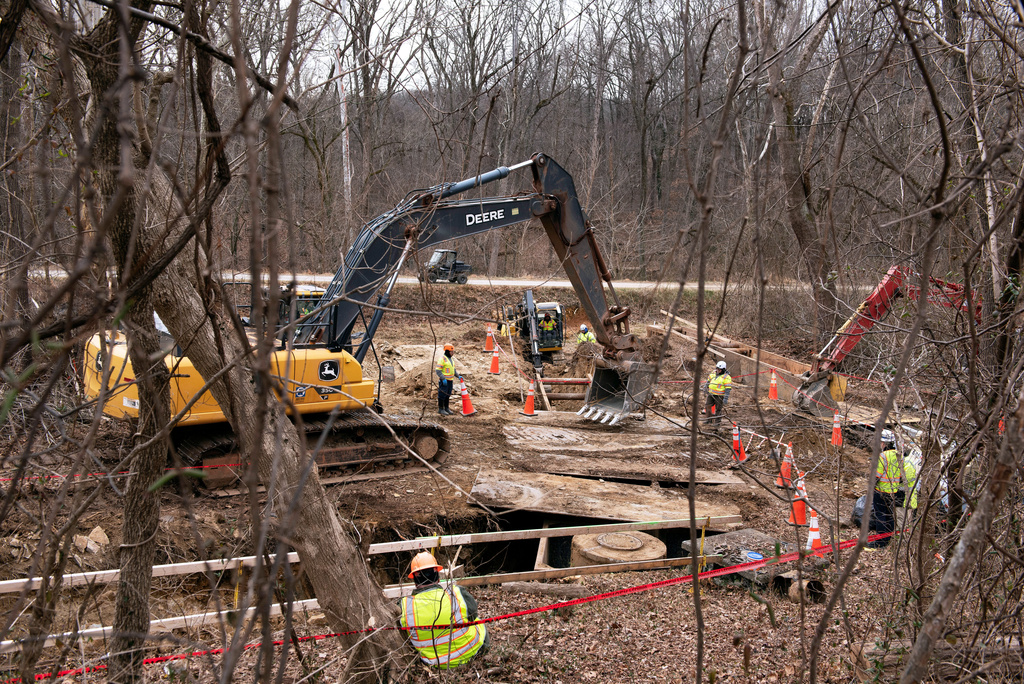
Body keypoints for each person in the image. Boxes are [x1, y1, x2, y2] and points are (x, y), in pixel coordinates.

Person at [400, 551, 489, 669]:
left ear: (415, 579)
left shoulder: (405, 605)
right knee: (478, 622)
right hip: (469, 652)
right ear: (437, 574)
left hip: (435, 663)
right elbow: (473, 614)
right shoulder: (456, 593)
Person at [868, 430, 901, 549]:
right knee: (890, 515)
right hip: (893, 491)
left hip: (881, 491)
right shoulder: (898, 455)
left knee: (880, 516)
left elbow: (877, 475)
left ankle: (879, 542)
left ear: (885, 443)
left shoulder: (882, 456)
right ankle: (888, 539)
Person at [703, 360, 732, 425]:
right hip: (711, 394)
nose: (718, 370)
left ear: (723, 369)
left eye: (719, 369)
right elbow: (708, 381)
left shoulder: (726, 377)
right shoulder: (713, 373)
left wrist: (726, 398)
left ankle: (717, 422)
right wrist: (705, 387)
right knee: (708, 406)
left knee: (718, 409)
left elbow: (728, 389)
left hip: (720, 395)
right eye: (717, 368)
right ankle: (708, 420)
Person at [435, 344, 456, 415]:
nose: (452, 353)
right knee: (442, 395)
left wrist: (458, 376)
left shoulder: (451, 360)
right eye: (451, 352)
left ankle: (446, 408)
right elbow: (438, 370)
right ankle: (441, 409)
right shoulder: (442, 359)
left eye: (453, 351)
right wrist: (443, 378)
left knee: (448, 394)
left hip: (450, 381)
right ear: (447, 351)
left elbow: (453, 369)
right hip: (444, 381)